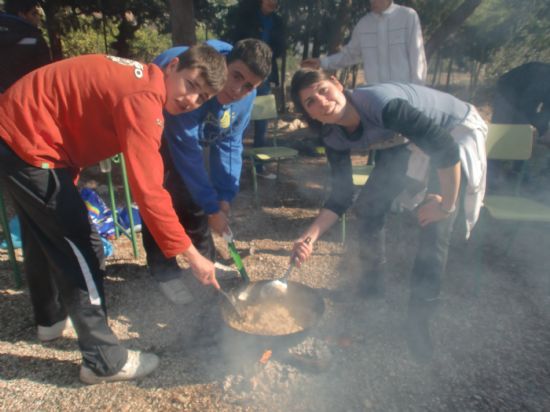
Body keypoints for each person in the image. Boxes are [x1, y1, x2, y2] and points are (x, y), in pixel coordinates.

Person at [0, 45, 227, 384]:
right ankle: (103, 361)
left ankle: (50, 320)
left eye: (203, 97)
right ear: (174, 66)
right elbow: (148, 192)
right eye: (191, 85)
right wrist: (192, 255)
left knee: (41, 230)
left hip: (19, 129)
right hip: (30, 138)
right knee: (82, 245)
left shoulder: (142, 82)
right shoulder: (143, 99)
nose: (192, 100)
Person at [289, 69, 487, 361]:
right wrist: (310, 236)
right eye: (310, 102)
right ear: (311, 115)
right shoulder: (333, 136)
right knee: (368, 207)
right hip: (405, 141)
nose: (321, 101)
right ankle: (373, 293)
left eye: (322, 90)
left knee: (434, 228)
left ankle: (419, 322)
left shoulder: (382, 105)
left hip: (454, 131)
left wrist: (446, 205)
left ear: (338, 85)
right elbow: (342, 196)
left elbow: (444, 147)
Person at [142, 38, 272, 305]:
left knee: (198, 201)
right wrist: (212, 208)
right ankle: (164, 272)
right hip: (161, 128)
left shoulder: (245, 98)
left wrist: (224, 197)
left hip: (191, 139)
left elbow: (230, 141)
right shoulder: (196, 72)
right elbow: (186, 148)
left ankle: (203, 265)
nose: (238, 89)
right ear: (224, 63)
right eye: (236, 76)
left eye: (249, 86)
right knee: (161, 195)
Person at [301, 0, 427, 85]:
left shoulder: (407, 17)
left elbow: (417, 56)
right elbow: (349, 55)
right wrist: (322, 62)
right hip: (377, 97)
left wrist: (417, 91)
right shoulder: (363, 25)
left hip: (405, 94)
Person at [227, 0, 286, 178]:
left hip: (264, 75)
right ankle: (231, 165)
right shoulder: (246, 15)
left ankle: (259, 166)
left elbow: (281, 48)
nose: (273, 3)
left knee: (262, 123)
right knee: (236, 119)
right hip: (243, 70)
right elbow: (237, 41)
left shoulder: (278, 22)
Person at [0, 0, 51, 92]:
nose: (38, 17)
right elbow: (46, 74)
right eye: (34, 13)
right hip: (29, 95)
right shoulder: (36, 40)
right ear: (22, 15)